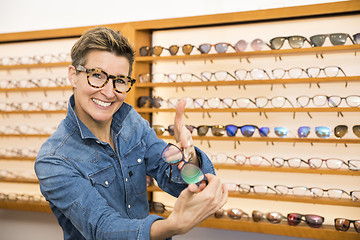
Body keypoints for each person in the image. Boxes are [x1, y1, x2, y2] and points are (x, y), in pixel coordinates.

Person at [34, 27, 227, 240]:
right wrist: (171, 227)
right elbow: (102, 228)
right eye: (97, 76)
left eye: (119, 81)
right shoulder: (53, 159)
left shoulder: (132, 123)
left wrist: (189, 158)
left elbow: (173, 178)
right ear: (73, 75)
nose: (109, 92)